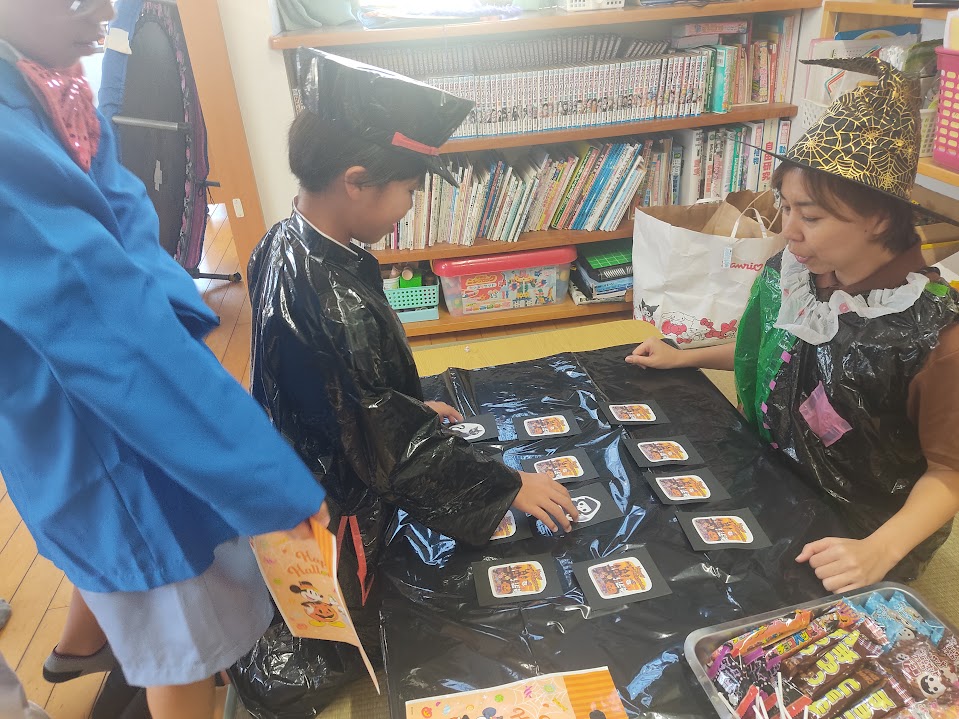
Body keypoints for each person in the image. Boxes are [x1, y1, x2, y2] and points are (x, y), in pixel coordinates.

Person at [0, 2, 330, 718]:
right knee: (182, 613)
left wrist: (176, 322)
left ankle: (80, 646)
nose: (102, 9)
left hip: (107, 378)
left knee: (131, 569)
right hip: (87, 407)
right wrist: (270, 481)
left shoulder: (50, 76)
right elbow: (101, 321)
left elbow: (122, 212)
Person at [234, 50, 578, 715]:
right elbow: (392, 451)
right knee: (349, 615)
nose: (410, 207)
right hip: (331, 498)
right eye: (410, 191)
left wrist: (404, 403)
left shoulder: (282, 239)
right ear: (356, 182)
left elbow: (342, 387)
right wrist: (506, 484)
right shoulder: (335, 298)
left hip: (295, 456)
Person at [627, 57, 959, 594]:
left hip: (862, 526)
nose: (789, 232)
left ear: (879, 218)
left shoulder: (937, 338)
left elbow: (950, 471)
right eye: (785, 208)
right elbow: (771, 350)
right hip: (775, 471)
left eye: (812, 216)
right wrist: (685, 356)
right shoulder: (795, 272)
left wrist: (878, 550)